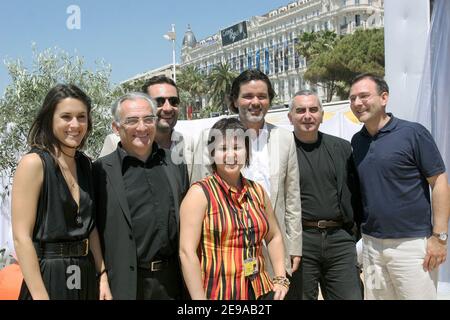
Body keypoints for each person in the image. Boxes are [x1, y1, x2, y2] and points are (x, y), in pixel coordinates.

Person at [191, 70, 302, 279]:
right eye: (248, 96)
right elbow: (200, 194)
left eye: (262, 96)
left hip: (274, 248)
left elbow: (292, 198)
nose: (255, 102)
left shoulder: (284, 138)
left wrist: (294, 245)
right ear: (234, 100)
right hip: (226, 252)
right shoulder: (212, 136)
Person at [349, 73, 450, 300]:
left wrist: (439, 237)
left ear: (384, 98)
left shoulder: (413, 133)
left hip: (411, 245)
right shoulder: (357, 141)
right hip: (372, 245)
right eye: (352, 98)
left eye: (364, 96)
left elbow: (439, 182)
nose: (357, 103)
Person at [11, 84, 112, 300]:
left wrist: (102, 274)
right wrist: (40, 296)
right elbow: (21, 238)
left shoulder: (85, 165)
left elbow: (89, 227)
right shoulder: (34, 163)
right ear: (50, 119)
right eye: (66, 116)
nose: (75, 125)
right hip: (48, 276)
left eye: (81, 117)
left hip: (83, 272)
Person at [179, 118, 290, 300]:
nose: (231, 155)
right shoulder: (199, 194)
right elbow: (186, 252)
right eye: (223, 149)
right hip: (219, 293)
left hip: (259, 290)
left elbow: (274, 236)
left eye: (237, 147)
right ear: (212, 153)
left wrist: (280, 278)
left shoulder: (257, 191)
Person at [93, 92, 189, 300]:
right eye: (132, 121)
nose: (142, 127)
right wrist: (101, 277)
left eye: (148, 119)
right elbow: (92, 230)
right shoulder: (100, 172)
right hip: (128, 285)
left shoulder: (175, 164)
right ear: (116, 128)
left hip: (173, 282)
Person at [287, 90, 363, 300]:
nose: (307, 115)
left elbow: (356, 193)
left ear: (322, 114)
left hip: (340, 239)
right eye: (300, 110)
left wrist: (352, 234)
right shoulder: (283, 149)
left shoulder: (341, 148)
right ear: (290, 116)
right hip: (301, 242)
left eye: (313, 109)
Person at [99, 76, 193, 179]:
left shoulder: (188, 143)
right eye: (159, 102)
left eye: (173, 101)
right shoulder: (115, 142)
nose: (168, 108)